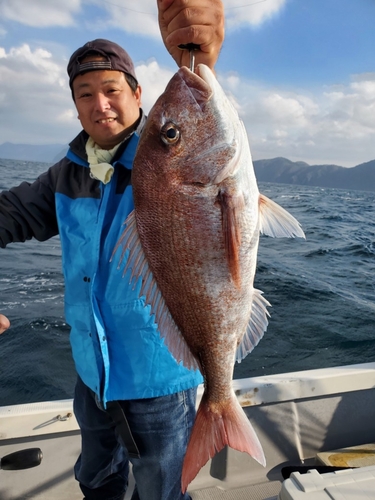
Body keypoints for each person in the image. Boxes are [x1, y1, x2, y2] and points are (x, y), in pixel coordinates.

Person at [0, 1, 225, 499]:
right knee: (96, 478)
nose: (100, 104)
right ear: (75, 106)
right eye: (85, 95)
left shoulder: (171, 155)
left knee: (162, 489)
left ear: (137, 94)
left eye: (111, 90)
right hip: (92, 377)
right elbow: (5, 216)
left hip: (159, 377)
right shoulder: (65, 175)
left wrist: (202, 58)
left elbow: (207, 132)